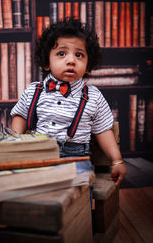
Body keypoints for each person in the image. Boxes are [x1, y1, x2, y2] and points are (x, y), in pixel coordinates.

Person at [11, 18, 127, 186]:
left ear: (88, 66)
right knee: (30, 189)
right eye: (61, 53)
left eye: (79, 55)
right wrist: (14, 146)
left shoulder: (93, 96)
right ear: (46, 63)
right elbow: (20, 117)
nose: (71, 60)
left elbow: (103, 130)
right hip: (38, 155)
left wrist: (117, 161)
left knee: (78, 195)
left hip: (76, 158)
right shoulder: (34, 90)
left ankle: (81, 211)